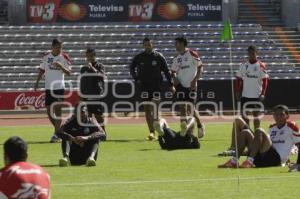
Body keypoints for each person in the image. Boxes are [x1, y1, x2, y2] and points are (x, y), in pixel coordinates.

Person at [218, 105, 300, 169]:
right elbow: (262, 144)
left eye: (281, 114)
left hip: (276, 160)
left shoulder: (292, 126)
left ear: (287, 116)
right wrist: (241, 152)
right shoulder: (272, 127)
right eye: (276, 114)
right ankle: (234, 161)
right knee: (245, 132)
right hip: (261, 159)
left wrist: (298, 163)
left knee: (259, 130)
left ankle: (249, 161)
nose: (278, 117)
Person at [130, 37, 174, 141]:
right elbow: (131, 68)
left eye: (149, 44)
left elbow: (166, 71)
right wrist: (136, 78)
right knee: (147, 110)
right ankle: (152, 132)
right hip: (144, 87)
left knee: (155, 108)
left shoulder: (159, 56)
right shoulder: (139, 57)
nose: (147, 46)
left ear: (152, 45)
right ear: (143, 45)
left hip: (156, 86)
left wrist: (171, 84)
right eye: (145, 45)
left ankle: (159, 127)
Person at [34, 38, 72, 143]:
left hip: (59, 87)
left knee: (58, 111)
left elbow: (69, 72)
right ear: (52, 46)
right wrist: (37, 82)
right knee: (49, 112)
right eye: (57, 47)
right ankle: (59, 131)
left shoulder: (64, 57)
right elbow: (41, 69)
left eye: (61, 47)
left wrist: (61, 66)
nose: (59, 49)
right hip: (48, 87)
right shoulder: (46, 56)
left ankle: (56, 135)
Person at [171, 36, 205, 138]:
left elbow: (200, 67)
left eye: (177, 43)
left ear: (182, 43)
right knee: (182, 108)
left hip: (191, 85)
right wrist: (175, 78)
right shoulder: (176, 58)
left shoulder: (192, 54)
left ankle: (200, 125)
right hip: (181, 86)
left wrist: (195, 80)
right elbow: (172, 72)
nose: (175, 45)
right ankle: (184, 132)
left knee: (191, 108)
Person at [80, 48, 107, 138]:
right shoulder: (83, 68)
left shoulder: (100, 66)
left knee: (99, 116)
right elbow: (82, 82)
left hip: (97, 95)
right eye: (87, 56)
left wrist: (92, 68)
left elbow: (101, 77)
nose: (89, 58)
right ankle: (90, 135)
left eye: (91, 56)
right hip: (86, 95)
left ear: (95, 56)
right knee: (87, 117)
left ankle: (103, 133)